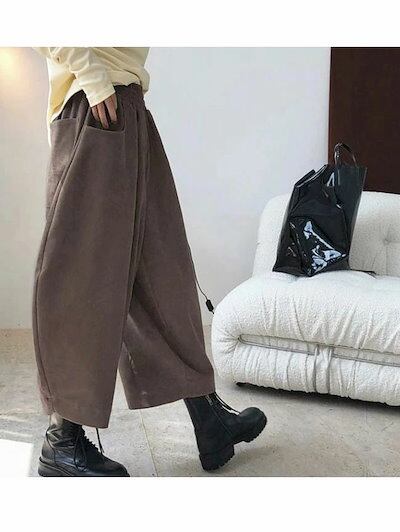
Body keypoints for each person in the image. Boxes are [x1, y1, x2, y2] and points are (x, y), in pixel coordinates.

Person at [33, 47, 267, 477]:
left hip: (128, 104)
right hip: (94, 104)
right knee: (83, 282)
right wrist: (93, 80)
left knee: (164, 270)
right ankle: (62, 440)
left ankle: (207, 416)